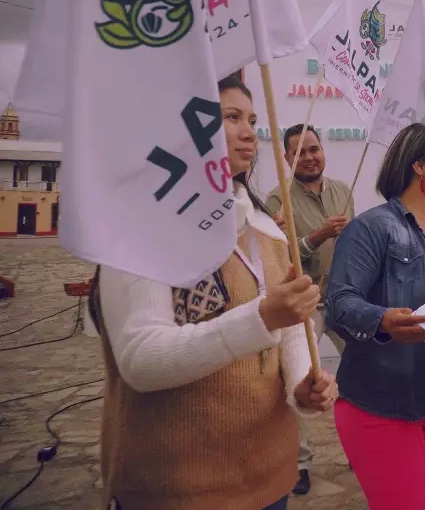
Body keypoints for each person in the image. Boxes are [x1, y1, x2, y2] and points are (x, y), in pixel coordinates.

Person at [89, 74, 338, 510]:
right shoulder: (141, 224)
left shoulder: (264, 227)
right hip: (178, 483)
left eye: (252, 119)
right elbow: (141, 360)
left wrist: (303, 382)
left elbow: (292, 330)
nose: (249, 131)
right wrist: (263, 318)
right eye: (230, 117)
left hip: (269, 475)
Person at [324, 123, 425, 510]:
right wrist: (384, 321)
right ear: (419, 166)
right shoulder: (372, 229)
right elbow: (338, 303)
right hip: (382, 402)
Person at [266, 124, 355, 495]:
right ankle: (299, 463)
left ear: (323, 151)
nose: (308, 157)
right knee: (298, 378)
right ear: (287, 158)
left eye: (313, 149)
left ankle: (363, 446)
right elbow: (278, 254)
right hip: (306, 304)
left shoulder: (343, 191)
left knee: (366, 370)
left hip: (346, 298)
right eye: (299, 152)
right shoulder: (275, 200)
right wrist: (318, 235)